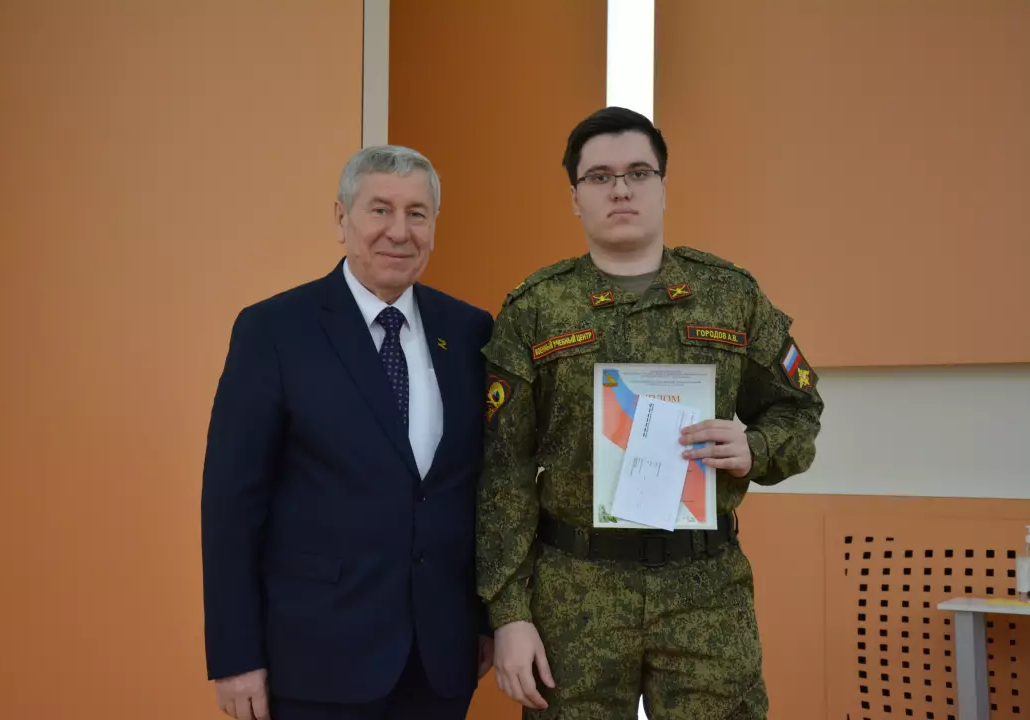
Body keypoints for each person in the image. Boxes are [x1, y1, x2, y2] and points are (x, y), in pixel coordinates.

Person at [475, 107, 825, 719]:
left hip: (704, 591)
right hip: (575, 593)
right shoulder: (535, 309)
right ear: (575, 198)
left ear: (663, 187)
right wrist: (508, 615)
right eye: (599, 176)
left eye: (638, 172)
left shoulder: (730, 295)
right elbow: (503, 474)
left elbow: (799, 409)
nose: (621, 189)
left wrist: (755, 449)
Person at [201, 145, 495, 720]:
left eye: (417, 213)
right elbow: (231, 505)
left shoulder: (469, 331)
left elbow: (483, 488)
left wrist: (486, 620)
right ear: (341, 219)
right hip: (316, 659)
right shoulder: (273, 330)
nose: (399, 231)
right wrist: (236, 656)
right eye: (379, 210)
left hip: (439, 662)